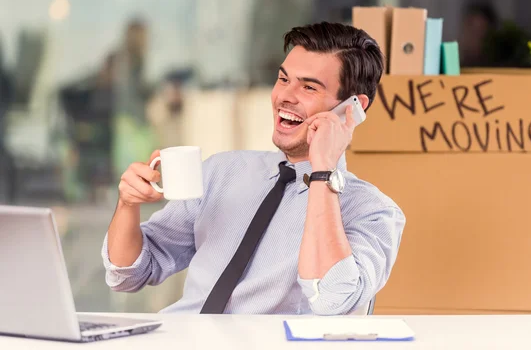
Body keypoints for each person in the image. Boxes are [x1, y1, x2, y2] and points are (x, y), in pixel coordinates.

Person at [102, 22, 405, 315]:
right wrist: (127, 205)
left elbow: (332, 300)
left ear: (352, 108)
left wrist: (322, 173)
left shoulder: (372, 211)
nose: (285, 95)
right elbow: (129, 274)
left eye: (309, 87)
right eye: (283, 79)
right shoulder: (221, 172)